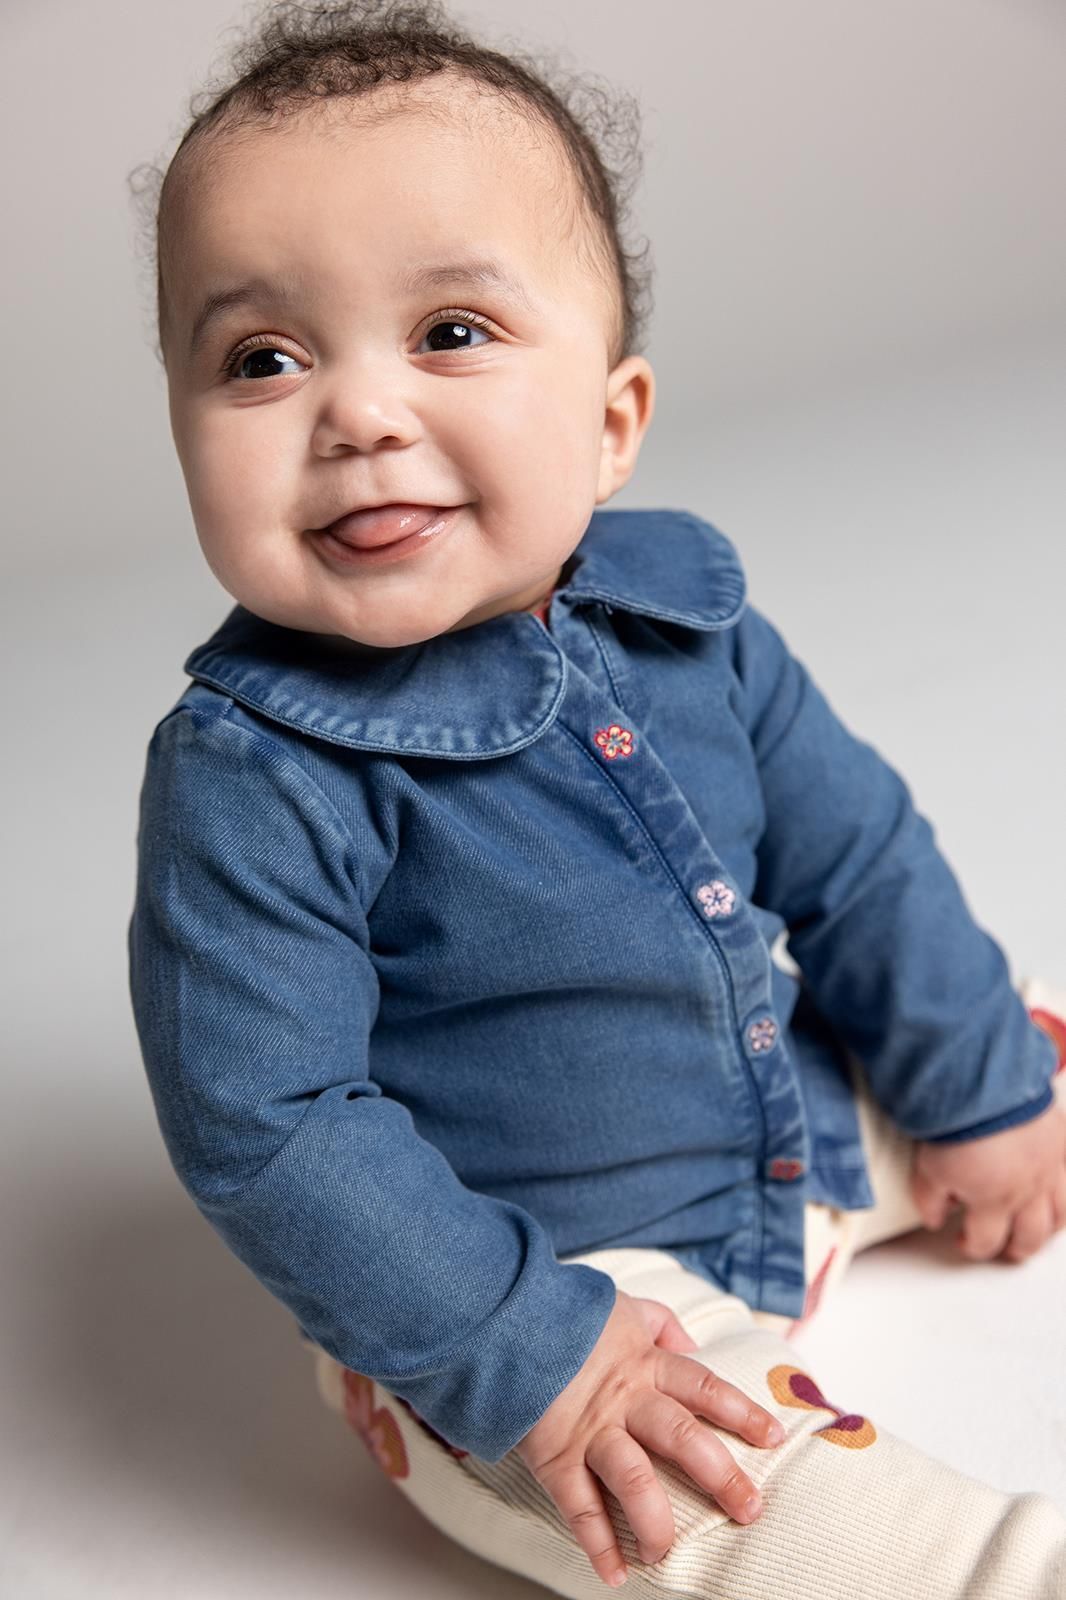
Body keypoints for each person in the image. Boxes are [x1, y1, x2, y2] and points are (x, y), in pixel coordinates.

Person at [125, 2, 1066, 1593]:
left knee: (1004, 1032)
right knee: (725, 1491)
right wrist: (534, 1350)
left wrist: (977, 1091)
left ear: (612, 422)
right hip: (548, 1288)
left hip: (784, 1118)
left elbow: (857, 862)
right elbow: (270, 1131)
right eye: (262, 359)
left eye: (449, 332)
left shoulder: (690, 626)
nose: (358, 415)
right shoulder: (253, 774)